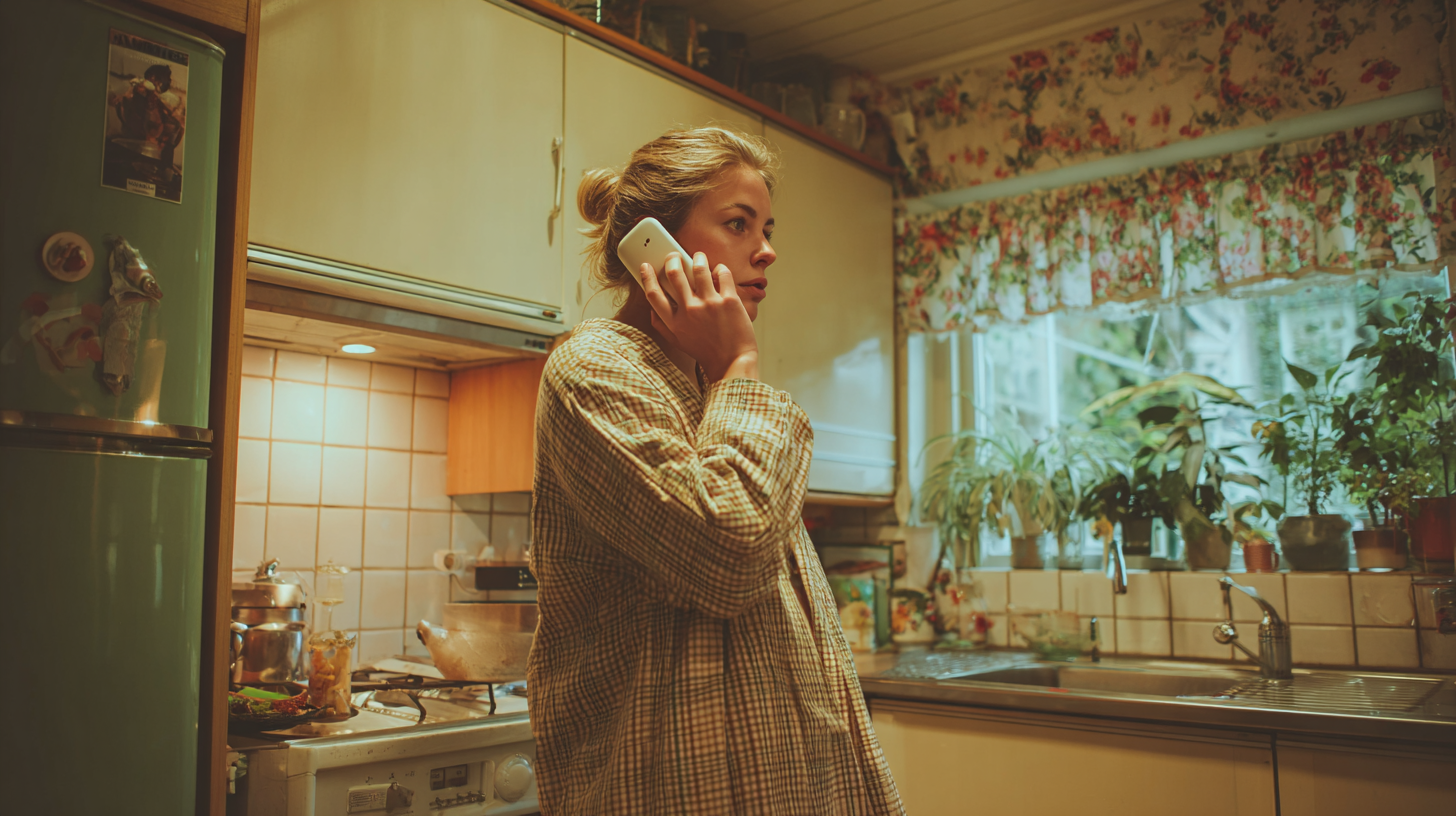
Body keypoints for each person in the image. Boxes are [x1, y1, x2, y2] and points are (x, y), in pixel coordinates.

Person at [528, 126, 905, 815]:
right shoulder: (593, 368)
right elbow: (728, 554)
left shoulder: (713, 394)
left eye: (766, 227)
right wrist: (738, 365)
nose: (767, 251)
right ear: (655, 245)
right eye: (738, 224)